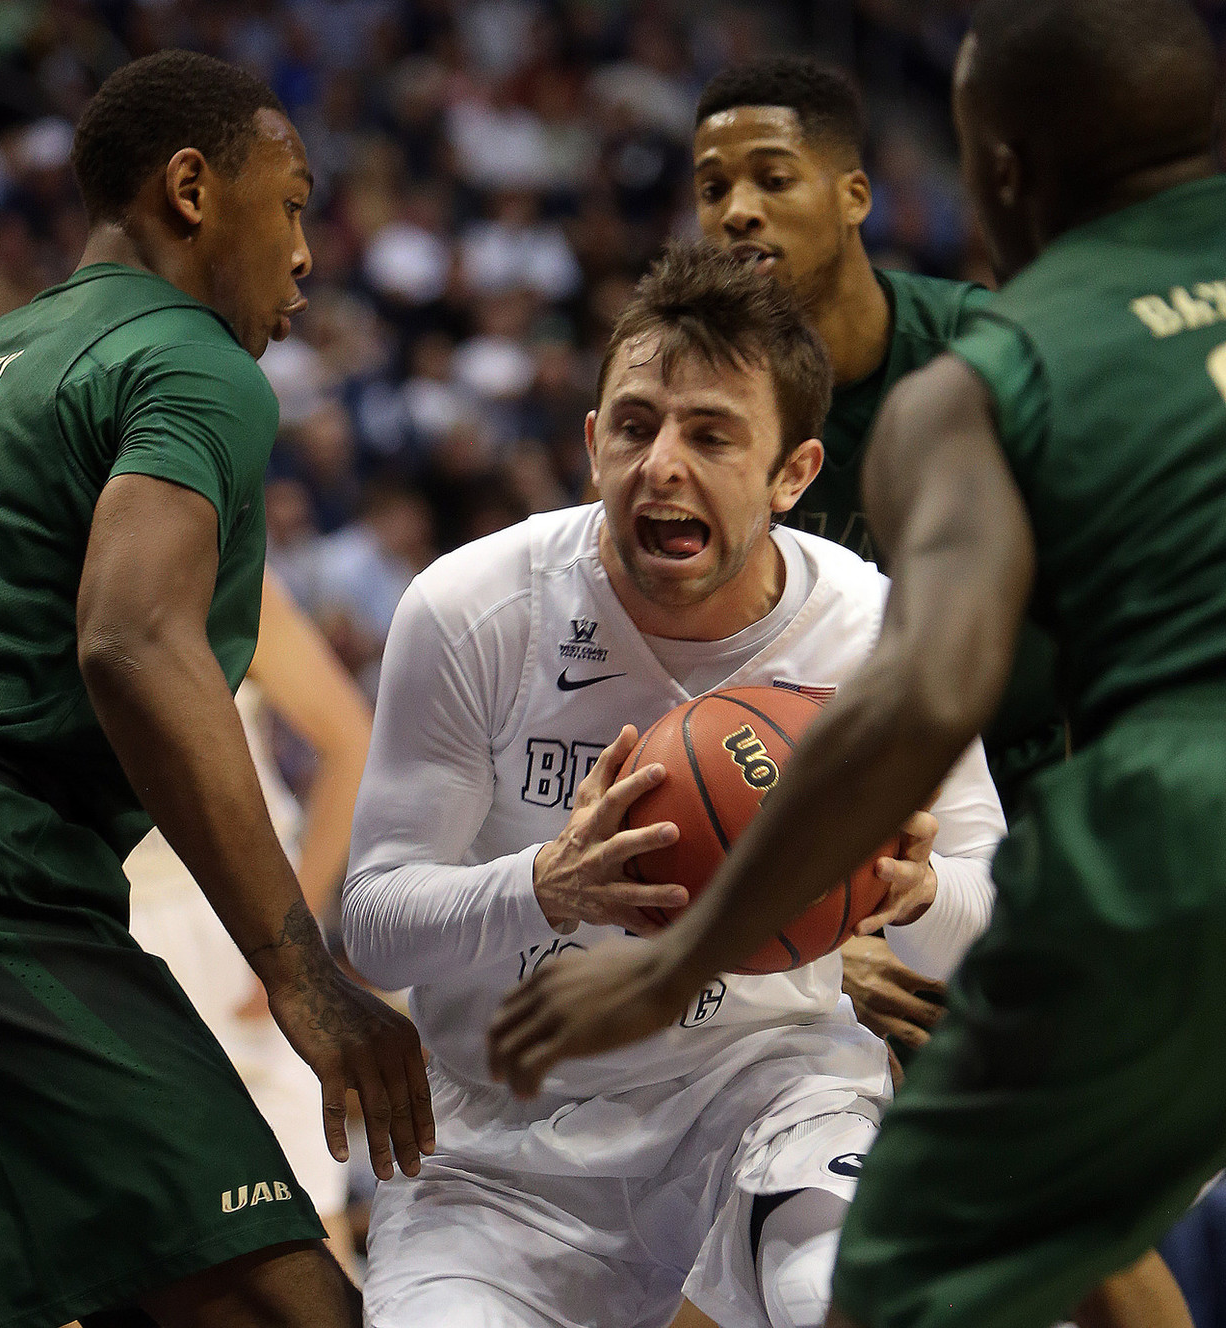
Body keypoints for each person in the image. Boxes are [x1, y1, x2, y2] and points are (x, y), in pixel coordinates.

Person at [488, 2, 1226, 1325]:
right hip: (923, 868)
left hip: (1126, 842)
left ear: (991, 167)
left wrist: (681, 956)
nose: (736, 211)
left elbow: (925, 696)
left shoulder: (989, 373)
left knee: (883, 1287)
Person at [343, 241, 1004, 1328]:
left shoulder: (882, 630)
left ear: (793, 473)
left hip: (768, 1096)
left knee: (848, 1293)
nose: (662, 463)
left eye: (711, 433)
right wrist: (545, 883)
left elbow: (990, 925)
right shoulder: (471, 606)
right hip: (503, 1148)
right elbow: (373, 924)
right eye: (639, 424)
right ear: (594, 440)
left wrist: (914, 894)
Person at [688, 55, 1191, 1328]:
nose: (734, 209)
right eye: (709, 186)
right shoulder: (711, 398)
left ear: (855, 194)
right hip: (847, 819)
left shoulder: (977, 356)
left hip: (1049, 796)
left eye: (769, 177)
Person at [0, 50, 432, 1328]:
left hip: (3, 873)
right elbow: (132, 639)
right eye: (292, 203)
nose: (309, 253)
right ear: (191, 189)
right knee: (287, 1301)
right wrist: (303, 973)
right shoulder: (192, 359)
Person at [126, 567, 373, 1273]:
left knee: (307, 1256)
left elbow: (349, 741)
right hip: (86, 924)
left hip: (235, 917)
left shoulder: (215, 555)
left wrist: (287, 941)